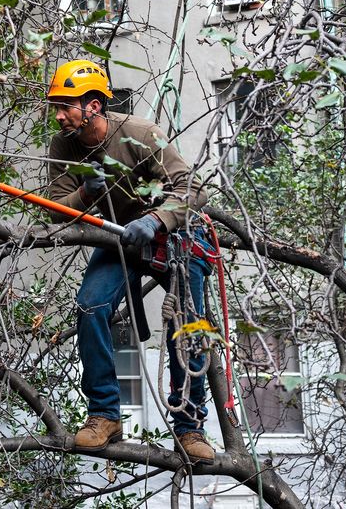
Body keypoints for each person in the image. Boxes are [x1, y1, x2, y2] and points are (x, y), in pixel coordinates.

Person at [45, 59, 216, 464]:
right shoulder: (63, 145)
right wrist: (86, 194)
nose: (59, 115)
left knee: (187, 321)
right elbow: (54, 209)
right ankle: (104, 415)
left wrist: (156, 219)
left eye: (66, 106)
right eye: (56, 107)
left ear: (93, 106)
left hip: (173, 236)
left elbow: (192, 189)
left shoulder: (139, 133)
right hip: (121, 239)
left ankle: (190, 426)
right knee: (90, 306)